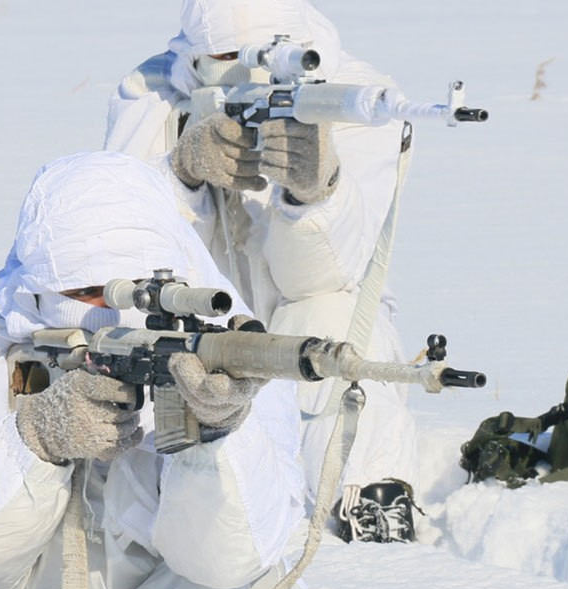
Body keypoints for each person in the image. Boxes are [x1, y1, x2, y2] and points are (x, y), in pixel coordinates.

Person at [0, 152, 321, 589]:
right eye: (81, 294)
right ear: (37, 287)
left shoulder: (230, 346)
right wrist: (34, 438)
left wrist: (218, 438)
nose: (109, 313)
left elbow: (234, 558)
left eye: (134, 289)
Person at [102, 0, 421, 542]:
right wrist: (183, 176)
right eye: (227, 58)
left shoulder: (355, 96)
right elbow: (118, 251)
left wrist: (315, 193)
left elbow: (328, 278)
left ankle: (365, 499)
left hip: (298, 319)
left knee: (336, 320)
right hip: (193, 322)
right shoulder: (151, 93)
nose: (249, 72)